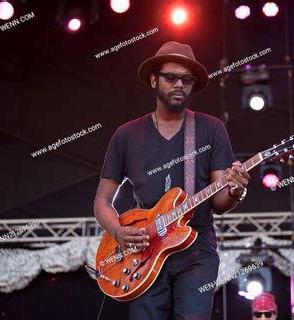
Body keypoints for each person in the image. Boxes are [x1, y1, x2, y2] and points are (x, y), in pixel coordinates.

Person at [93, 41, 251, 320]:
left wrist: (236, 190)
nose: (180, 84)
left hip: (196, 249)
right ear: (154, 80)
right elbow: (102, 201)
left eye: (187, 79)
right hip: (144, 249)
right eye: (171, 77)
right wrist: (118, 231)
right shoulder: (126, 135)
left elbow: (219, 202)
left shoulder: (210, 128)